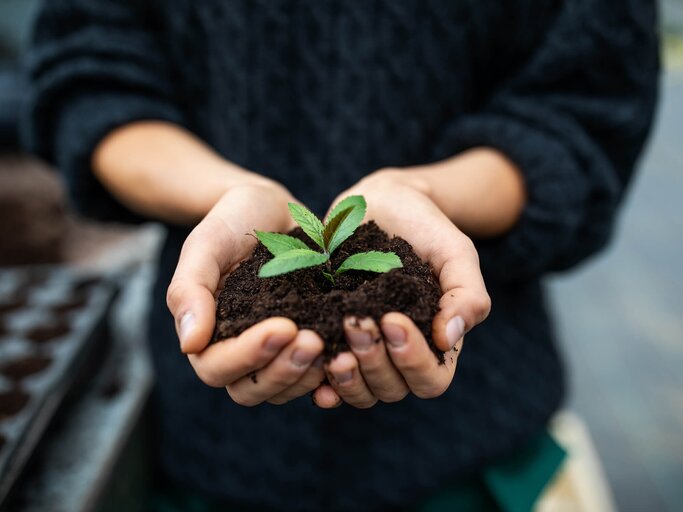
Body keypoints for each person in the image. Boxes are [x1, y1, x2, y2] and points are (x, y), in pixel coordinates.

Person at [23, 1, 658, 510]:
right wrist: (226, 194)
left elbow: (583, 107)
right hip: (203, 453)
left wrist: (426, 192)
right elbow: (90, 76)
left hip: (471, 452)